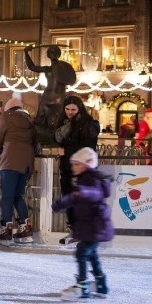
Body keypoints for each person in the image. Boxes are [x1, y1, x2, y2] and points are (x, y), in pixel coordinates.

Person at [52, 147, 114, 300]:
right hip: (92, 227)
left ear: (86, 165)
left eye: (76, 164)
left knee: (82, 251)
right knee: (91, 254)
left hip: (96, 227)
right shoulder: (82, 180)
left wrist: (84, 192)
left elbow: (95, 193)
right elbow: (74, 197)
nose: (73, 167)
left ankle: (82, 286)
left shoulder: (92, 180)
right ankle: (101, 284)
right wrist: (60, 204)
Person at [0, 97, 39, 244]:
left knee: (7, 196)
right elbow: (36, 142)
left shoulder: (6, 118)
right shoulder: (30, 121)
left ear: (8, 108)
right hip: (26, 163)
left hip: (10, 162)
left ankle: (6, 229)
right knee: (18, 195)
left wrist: (1, 152)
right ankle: (25, 229)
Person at [54, 95, 100, 239]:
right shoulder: (64, 123)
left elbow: (88, 148)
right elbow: (56, 138)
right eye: (67, 109)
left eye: (73, 109)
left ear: (79, 109)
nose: (70, 112)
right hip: (67, 167)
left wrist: (65, 151)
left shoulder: (88, 124)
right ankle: (73, 229)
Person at [24, 45, 76, 138]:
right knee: (40, 120)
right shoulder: (47, 69)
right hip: (47, 97)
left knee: (55, 122)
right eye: (51, 52)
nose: (53, 54)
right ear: (48, 55)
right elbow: (32, 67)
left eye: (55, 52)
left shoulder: (64, 68)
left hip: (58, 98)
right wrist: (26, 53)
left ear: (58, 54)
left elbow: (70, 78)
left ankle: (53, 139)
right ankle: (43, 139)